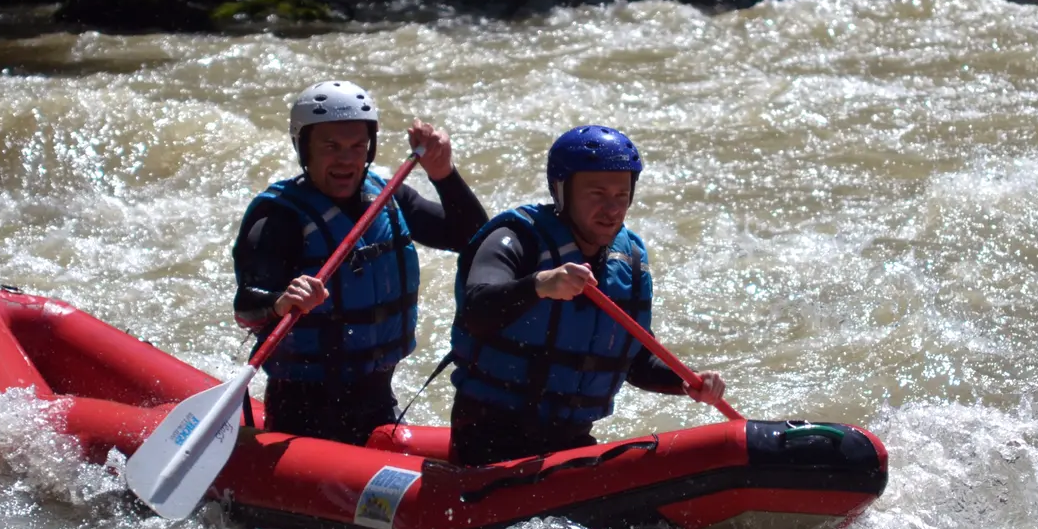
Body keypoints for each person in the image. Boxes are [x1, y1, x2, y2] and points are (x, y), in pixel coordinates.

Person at [445, 125, 725, 465]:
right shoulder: (517, 239)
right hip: (487, 437)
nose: (611, 209)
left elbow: (632, 360)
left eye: (621, 196)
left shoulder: (629, 260)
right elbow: (476, 309)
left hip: (570, 440)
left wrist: (686, 382)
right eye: (597, 194)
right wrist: (538, 284)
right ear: (562, 191)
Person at [233, 80, 488, 444]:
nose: (346, 159)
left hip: (377, 397)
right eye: (331, 147)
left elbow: (475, 239)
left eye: (357, 146)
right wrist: (280, 300)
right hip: (302, 411)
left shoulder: (386, 195)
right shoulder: (279, 220)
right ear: (304, 148)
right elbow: (245, 307)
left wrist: (444, 175)